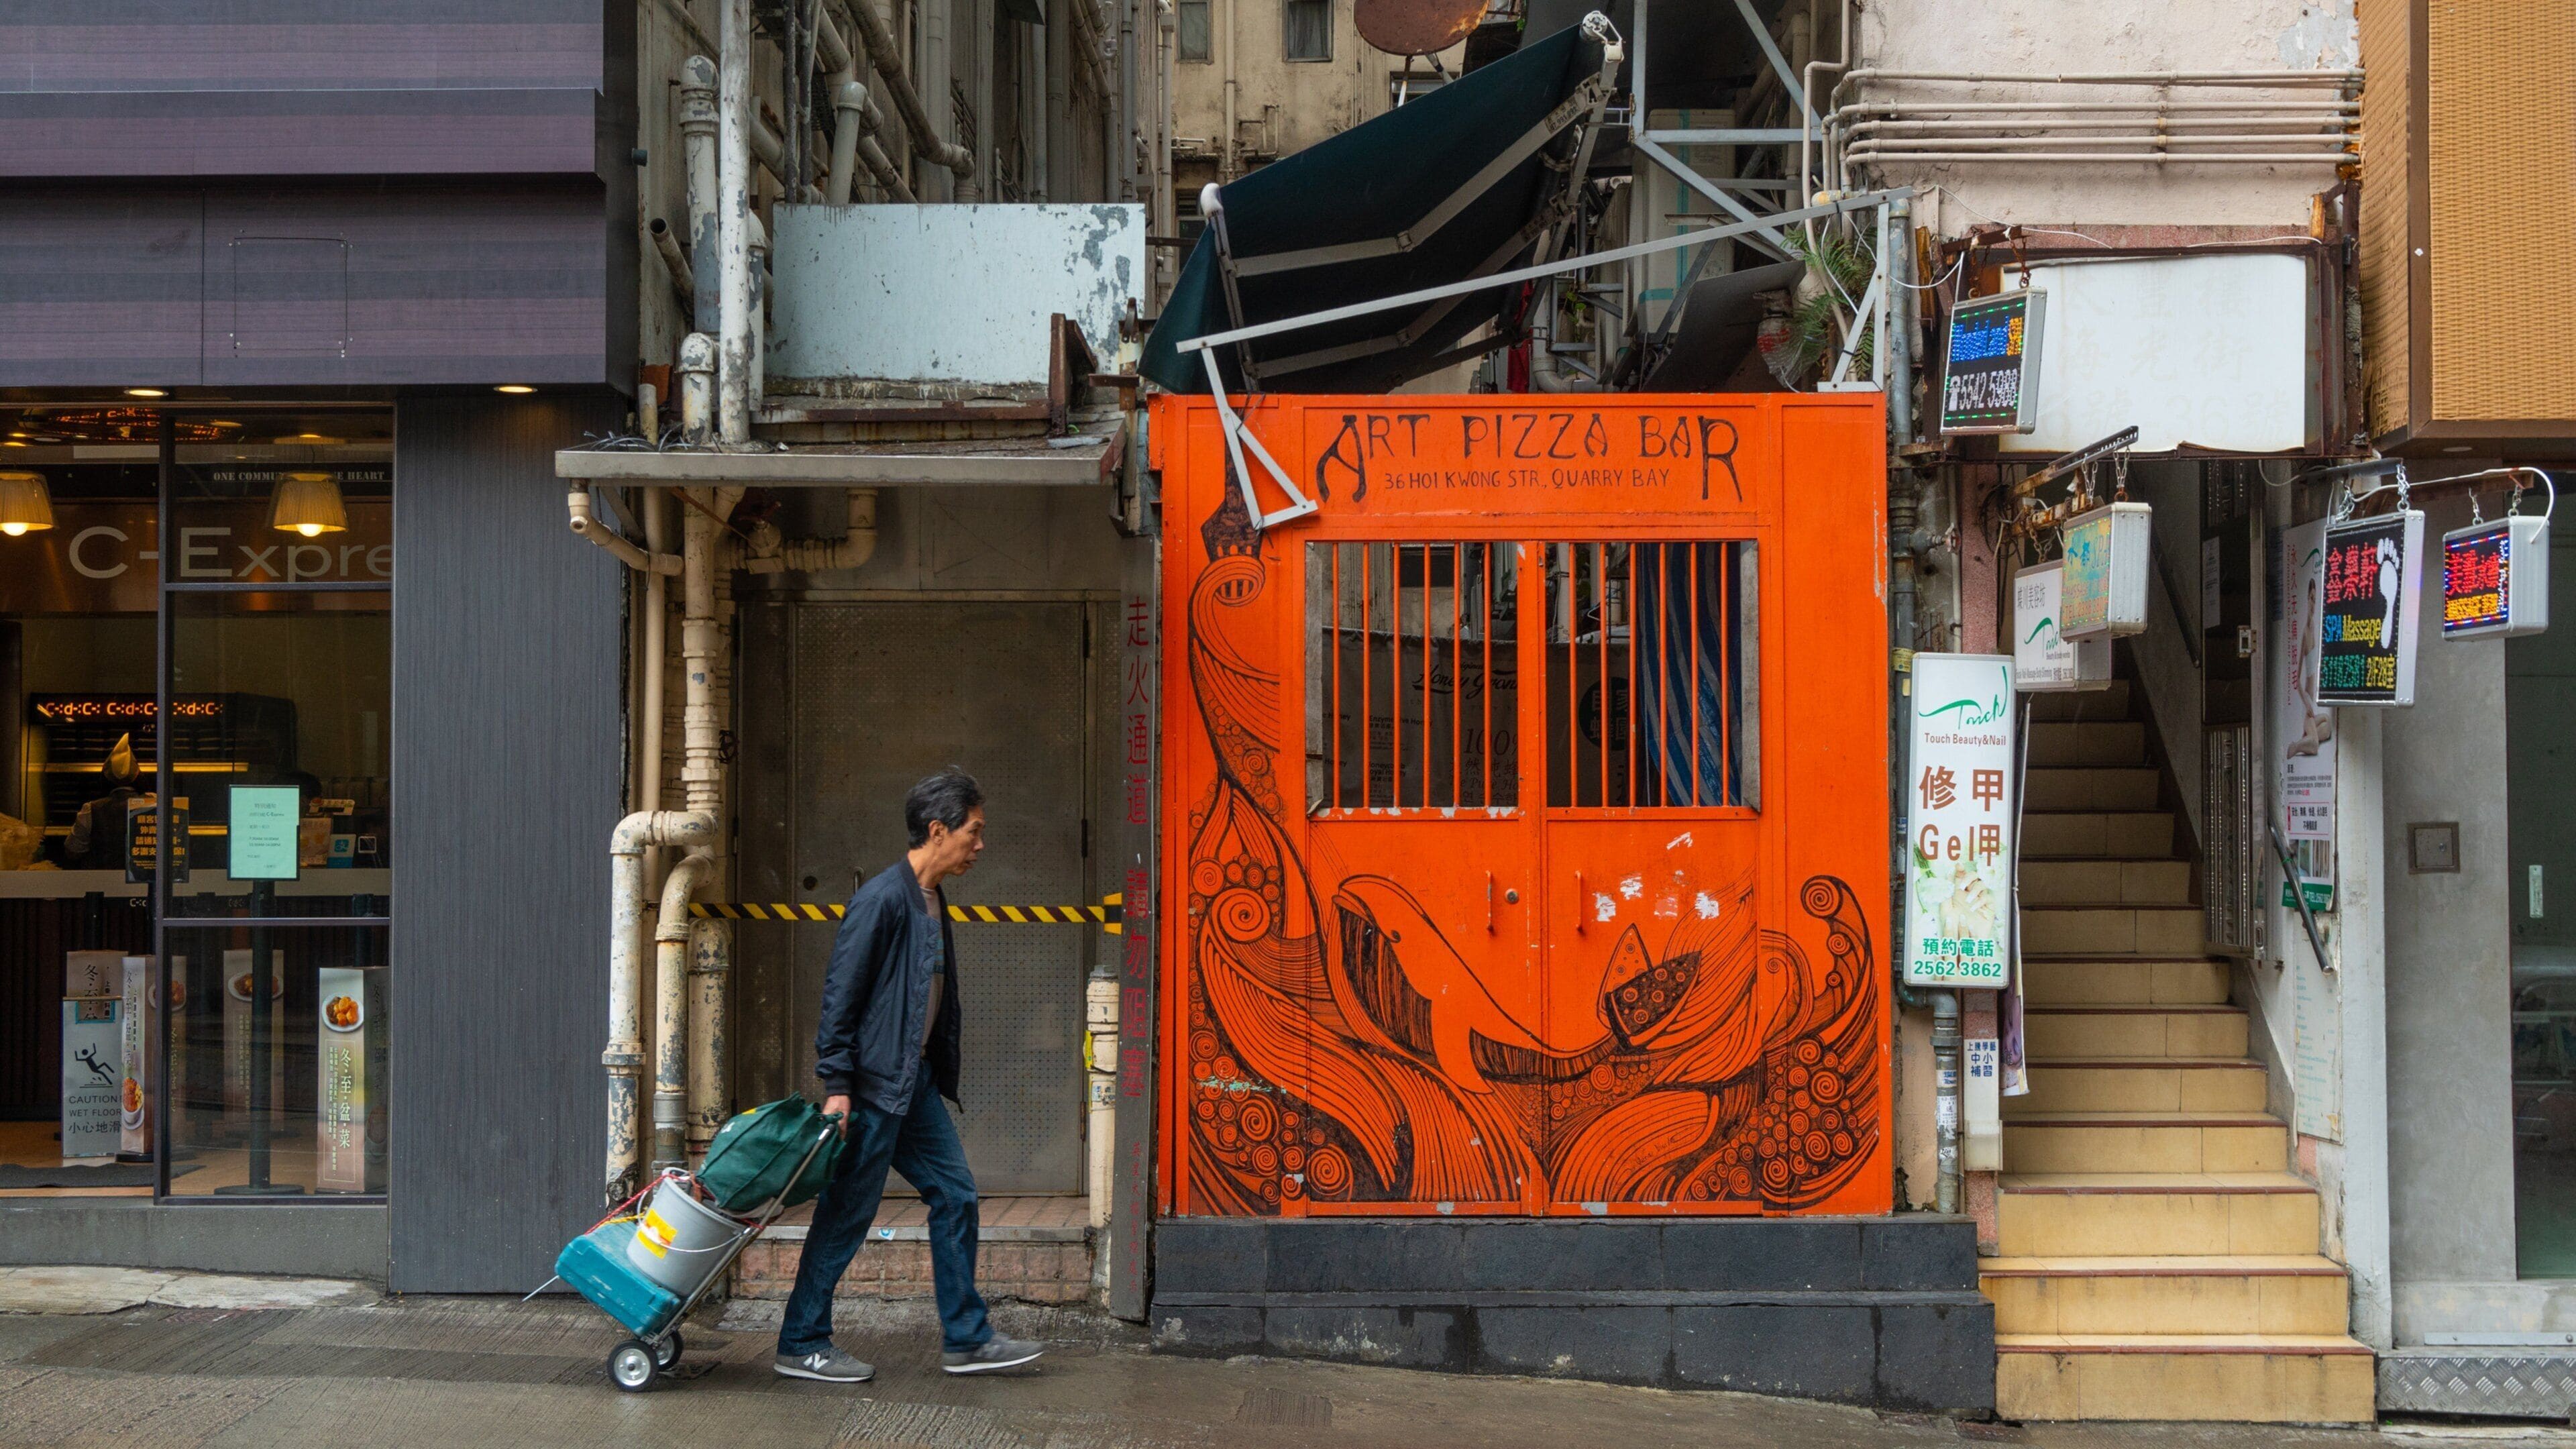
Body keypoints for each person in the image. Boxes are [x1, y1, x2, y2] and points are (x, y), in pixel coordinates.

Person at [773, 767, 1045, 1383]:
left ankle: (967, 1339)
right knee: (845, 1215)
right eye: (973, 832)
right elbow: (841, 997)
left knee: (956, 1195)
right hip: (871, 1088)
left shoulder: (931, 896)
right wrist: (837, 1087)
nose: (980, 845)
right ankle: (802, 1341)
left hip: (910, 1084)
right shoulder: (882, 899)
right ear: (937, 828)